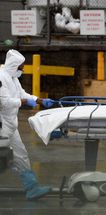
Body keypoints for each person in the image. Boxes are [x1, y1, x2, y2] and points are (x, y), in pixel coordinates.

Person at [0, 49, 54, 200]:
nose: (23, 68)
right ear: (14, 65)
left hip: (11, 124)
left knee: (21, 155)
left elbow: (22, 94)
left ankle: (32, 188)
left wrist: (39, 100)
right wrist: (24, 102)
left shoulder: (12, 78)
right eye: (21, 66)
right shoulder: (1, 78)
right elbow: (3, 102)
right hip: (2, 125)